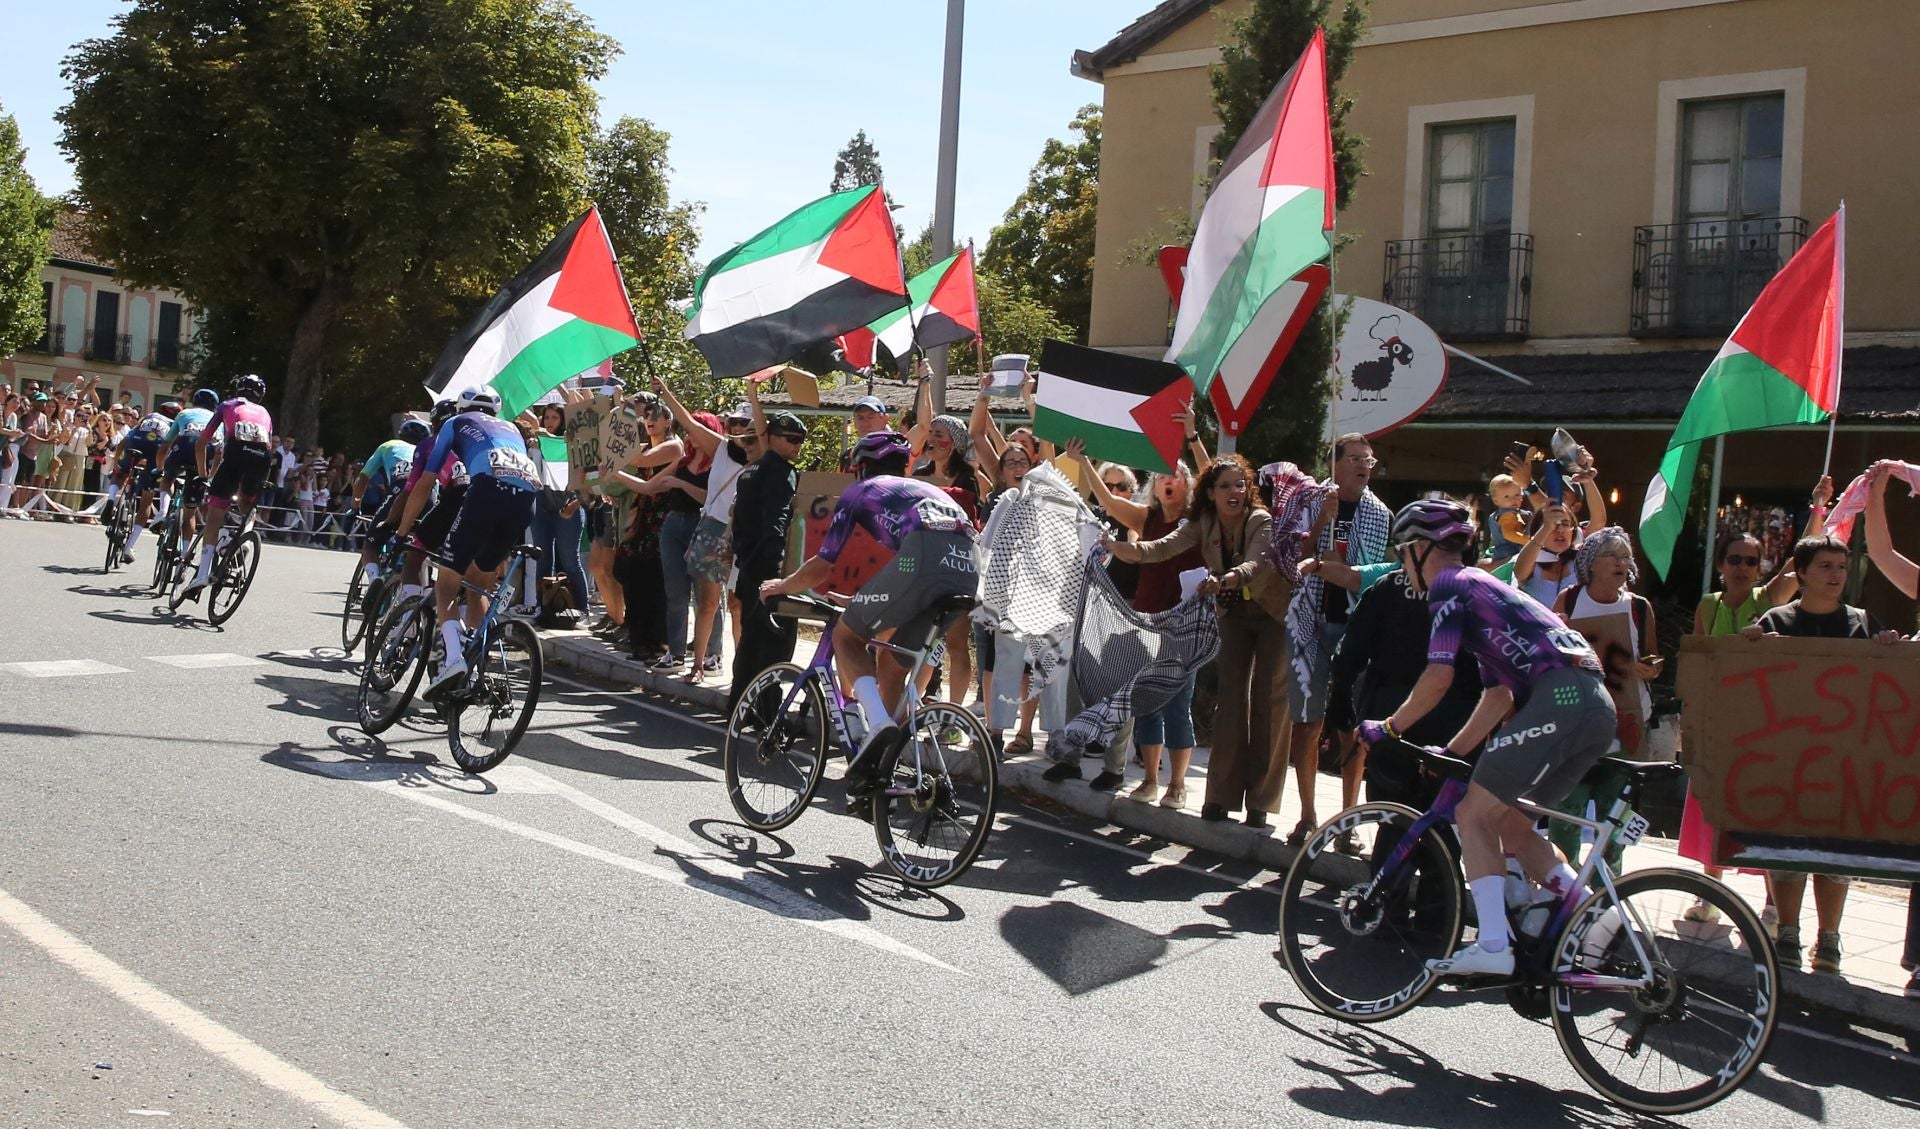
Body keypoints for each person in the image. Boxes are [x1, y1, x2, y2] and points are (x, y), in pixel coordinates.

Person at [1357, 498, 1616, 978]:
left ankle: (1494, 944)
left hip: (1560, 699)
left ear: (1419, 548)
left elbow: (1437, 677)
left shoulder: (1449, 584)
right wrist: (1451, 752)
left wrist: (1389, 727)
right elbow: (1497, 697)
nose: (1401, 565)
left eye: (1401, 553)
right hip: (1594, 707)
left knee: (1472, 812)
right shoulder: (1488, 592)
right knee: (1512, 825)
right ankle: (1600, 913)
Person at [759, 430, 977, 798]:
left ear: (859, 466)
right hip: (969, 566)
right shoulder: (921, 491)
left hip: (924, 558)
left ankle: (877, 725)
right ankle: (876, 773)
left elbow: (823, 565)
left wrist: (781, 585)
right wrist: (862, 599)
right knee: (893, 666)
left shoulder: (862, 491)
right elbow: (906, 571)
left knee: (847, 636)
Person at [1740, 533, 1905, 974]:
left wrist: (1889, 649)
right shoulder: (1777, 620)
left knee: (1837, 850)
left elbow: (1885, 690)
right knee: (1787, 847)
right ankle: (1788, 933)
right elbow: (1743, 678)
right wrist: (1750, 646)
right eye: (1826, 567)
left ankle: (1829, 939)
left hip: (1845, 762)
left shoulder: (1862, 623)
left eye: (1841, 567)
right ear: (1801, 574)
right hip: (1787, 759)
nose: (1836, 576)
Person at [1106, 455, 1291, 827]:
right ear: (1210, 492)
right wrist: (1120, 549)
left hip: (1273, 615)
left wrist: (1225, 580)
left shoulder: (1261, 520)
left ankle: (1261, 802)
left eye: (1240, 484)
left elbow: (1256, 564)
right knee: (1231, 701)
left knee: (1269, 703)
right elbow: (1159, 548)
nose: (1235, 492)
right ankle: (1220, 797)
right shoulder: (1202, 523)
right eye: (1225, 486)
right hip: (1233, 614)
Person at [1076, 442, 1205, 805]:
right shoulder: (1146, 518)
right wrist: (1085, 460)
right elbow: (1109, 501)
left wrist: (1193, 438)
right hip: (1147, 624)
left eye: (1177, 475)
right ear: (1154, 485)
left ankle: (1177, 785)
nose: (1169, 480)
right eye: (1163, 475)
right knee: (1147, 705)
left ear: (1188, 485)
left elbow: (1212, 472)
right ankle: (1150, 780)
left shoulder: (1198, 520)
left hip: (1185, 626)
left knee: (1179, 706)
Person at [1283, 433, 1393, 845]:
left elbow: (1374, 572)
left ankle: (1348, 822)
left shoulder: (1380, 513)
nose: (1364, 465)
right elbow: (1290, 557)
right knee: (1307, 721)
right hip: (1307, 621)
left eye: (1369, 459)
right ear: (1336, 463)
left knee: (1354, 726)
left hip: (1355, 627)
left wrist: (1340, 566)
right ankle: (1307, 815)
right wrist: (1320, 524)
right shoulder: (1310, 500)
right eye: (1356, 458)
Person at [393, 387, 539, 692]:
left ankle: (454, 659)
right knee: (478, 583)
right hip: (526, 499)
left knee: (447, 582)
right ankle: (473, 668)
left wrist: (402, 530)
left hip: (488, 490)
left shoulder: (455, 423)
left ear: (461, 407)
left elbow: (424, 484)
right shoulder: (512, 428)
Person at [656, 378, 757, 677]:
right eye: (735, 422)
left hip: (744, 535)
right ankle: (698, 664)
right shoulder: (722, 448)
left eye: (746, 423)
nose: (739, 428)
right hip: (714, 530)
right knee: (708, 602)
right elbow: (687, 421)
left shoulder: (763, 458)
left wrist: (754, 394)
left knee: (738, 605)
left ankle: (739, 668)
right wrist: (665, 390)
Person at [728, 411, 809, 709]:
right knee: (775, 645)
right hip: (770, 569)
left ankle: (740, 708)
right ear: (771, 438)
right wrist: (779, 575)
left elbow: (739, 524)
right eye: (791, 439)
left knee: (750, 642)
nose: (797, 445)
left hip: (749, 567)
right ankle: (770, 714)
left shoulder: (750, 471)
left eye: (800, 440)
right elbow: (776, 522)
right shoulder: (780, 471)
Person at [182, 376, 275, 597]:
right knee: (247, 501)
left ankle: (203, 573)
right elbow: (269, 446)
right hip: (262, 457)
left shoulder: (227, 405)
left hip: (235, 452)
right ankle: (246, 536)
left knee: (215, 514)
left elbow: (202, 442)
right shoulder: (265, 413)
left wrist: (204, 475)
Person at [351, 417, 428, 581]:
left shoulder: (389, 445)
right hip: (429, 496)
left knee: (371, 546)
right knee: (417, 550)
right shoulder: (430, 450)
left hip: (401, 491)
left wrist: (355, 505)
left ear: (400, 435)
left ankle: (374, 581)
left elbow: (363, 477)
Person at [1514, 502, 1579, 606]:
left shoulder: (1581, 561)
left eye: (1565, 524)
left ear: (1573, 531)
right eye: (1554, 524)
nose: (1560, 530)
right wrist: (1547, 527)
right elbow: (1519, 573)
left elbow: (1599, 522)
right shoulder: (1530, 561)